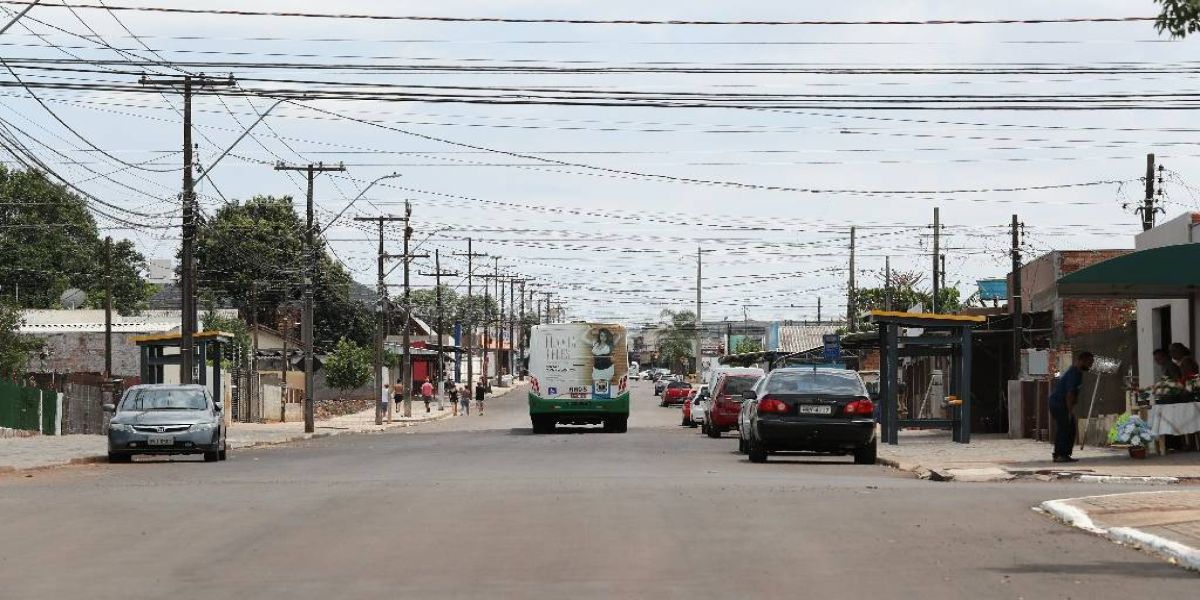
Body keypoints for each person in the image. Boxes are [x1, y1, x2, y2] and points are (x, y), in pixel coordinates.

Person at [1048, 351, 1093, 463]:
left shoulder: (1077, 373)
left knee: (1070, 427)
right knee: (1065, 427)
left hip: (1061, 403)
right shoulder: (1074, 373)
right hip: (1058, 403)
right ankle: (1059, 455)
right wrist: (1069, 411)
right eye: (1089, 362)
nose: (1090, 365)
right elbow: (1070, 394)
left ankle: (1064, 454)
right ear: (1081, 361)